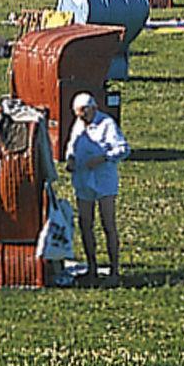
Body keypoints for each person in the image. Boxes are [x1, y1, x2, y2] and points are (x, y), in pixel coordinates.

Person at [66, 92, 129, 281]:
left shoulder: (107, 124)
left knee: (107, 223)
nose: (81, 117)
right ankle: (91, 266)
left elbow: (123, 149)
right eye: (78, 114)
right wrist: (70, 159)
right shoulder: (79, 124)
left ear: (92, 108)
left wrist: (103, 158)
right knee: (85, 223)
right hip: (83, 179)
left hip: (103, 181)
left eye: (83, 113)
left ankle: (114, 269)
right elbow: (71, 146)